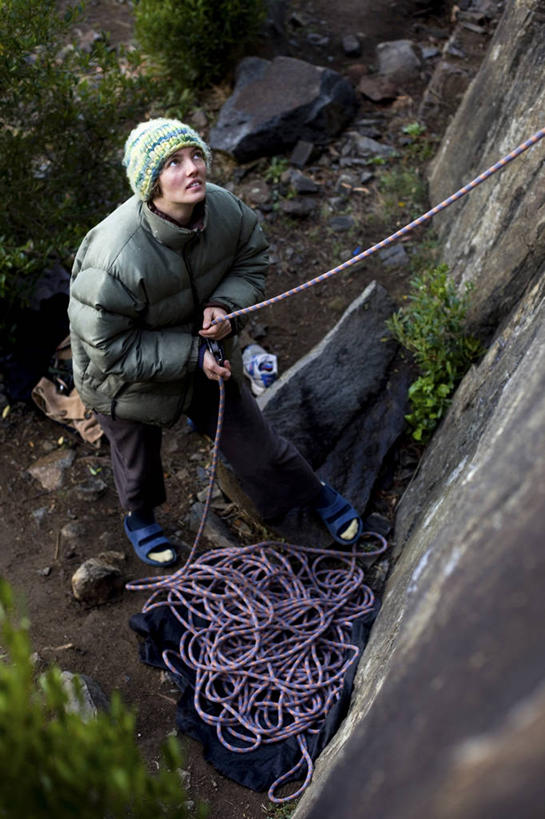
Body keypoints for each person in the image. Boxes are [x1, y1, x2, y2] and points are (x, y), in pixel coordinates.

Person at [68, 118, 362, 567]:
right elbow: (107, 347)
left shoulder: (223, 209)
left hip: (207, 356)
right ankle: (139, 515)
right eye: (173, 162)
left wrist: (225, 304)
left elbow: (252, 258)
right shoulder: (115, 255)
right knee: (136, 457)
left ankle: (310, 493)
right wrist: (193, 354)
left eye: (195, 156)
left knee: (259, 448)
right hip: (123, 380)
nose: (193, 168)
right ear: (150, 183)